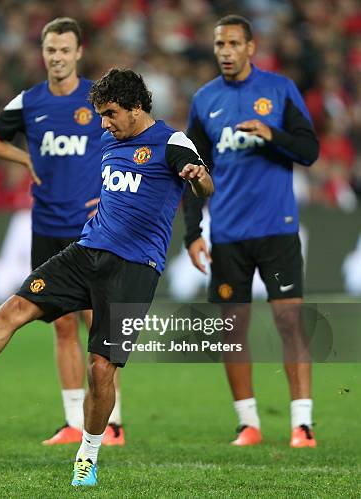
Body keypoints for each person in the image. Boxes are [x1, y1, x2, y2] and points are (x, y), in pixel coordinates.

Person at [0, 68, 213, 486]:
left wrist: (197, 178)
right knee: (14, 308)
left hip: (134, 270)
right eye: (100, 114)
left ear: (136, 109)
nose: (104, 123)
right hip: (85, 251)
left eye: (111, 113)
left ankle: (87, 456)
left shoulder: (171, 142)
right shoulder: (109, 138)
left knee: (100, 368)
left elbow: (204, 184)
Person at [0, 17, 124, 445]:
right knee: (61, 326)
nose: (57, 57)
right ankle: (72, 422)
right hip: (46, 225)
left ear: (79, 53)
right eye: (50, 50)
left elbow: (131, 142)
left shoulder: (99, 99)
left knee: (99, 323)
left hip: (93, 228)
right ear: (42, 54)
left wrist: (110, 188)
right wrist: (24, 160)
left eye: (64, 50)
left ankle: (113, 424)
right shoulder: (30, 101)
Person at [183, 15, 319, 448]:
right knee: (232, 329)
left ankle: (302, 424)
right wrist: (192, 232)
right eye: (219, 43)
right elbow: (190, 171)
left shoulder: (279, 90)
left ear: (251, 47)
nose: (225, 51)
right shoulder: (205, 100)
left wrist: (271, 132)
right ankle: (249, 424)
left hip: (276, 228)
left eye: (233, 43)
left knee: (289, 321)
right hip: (226, 234)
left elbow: (309, 150)